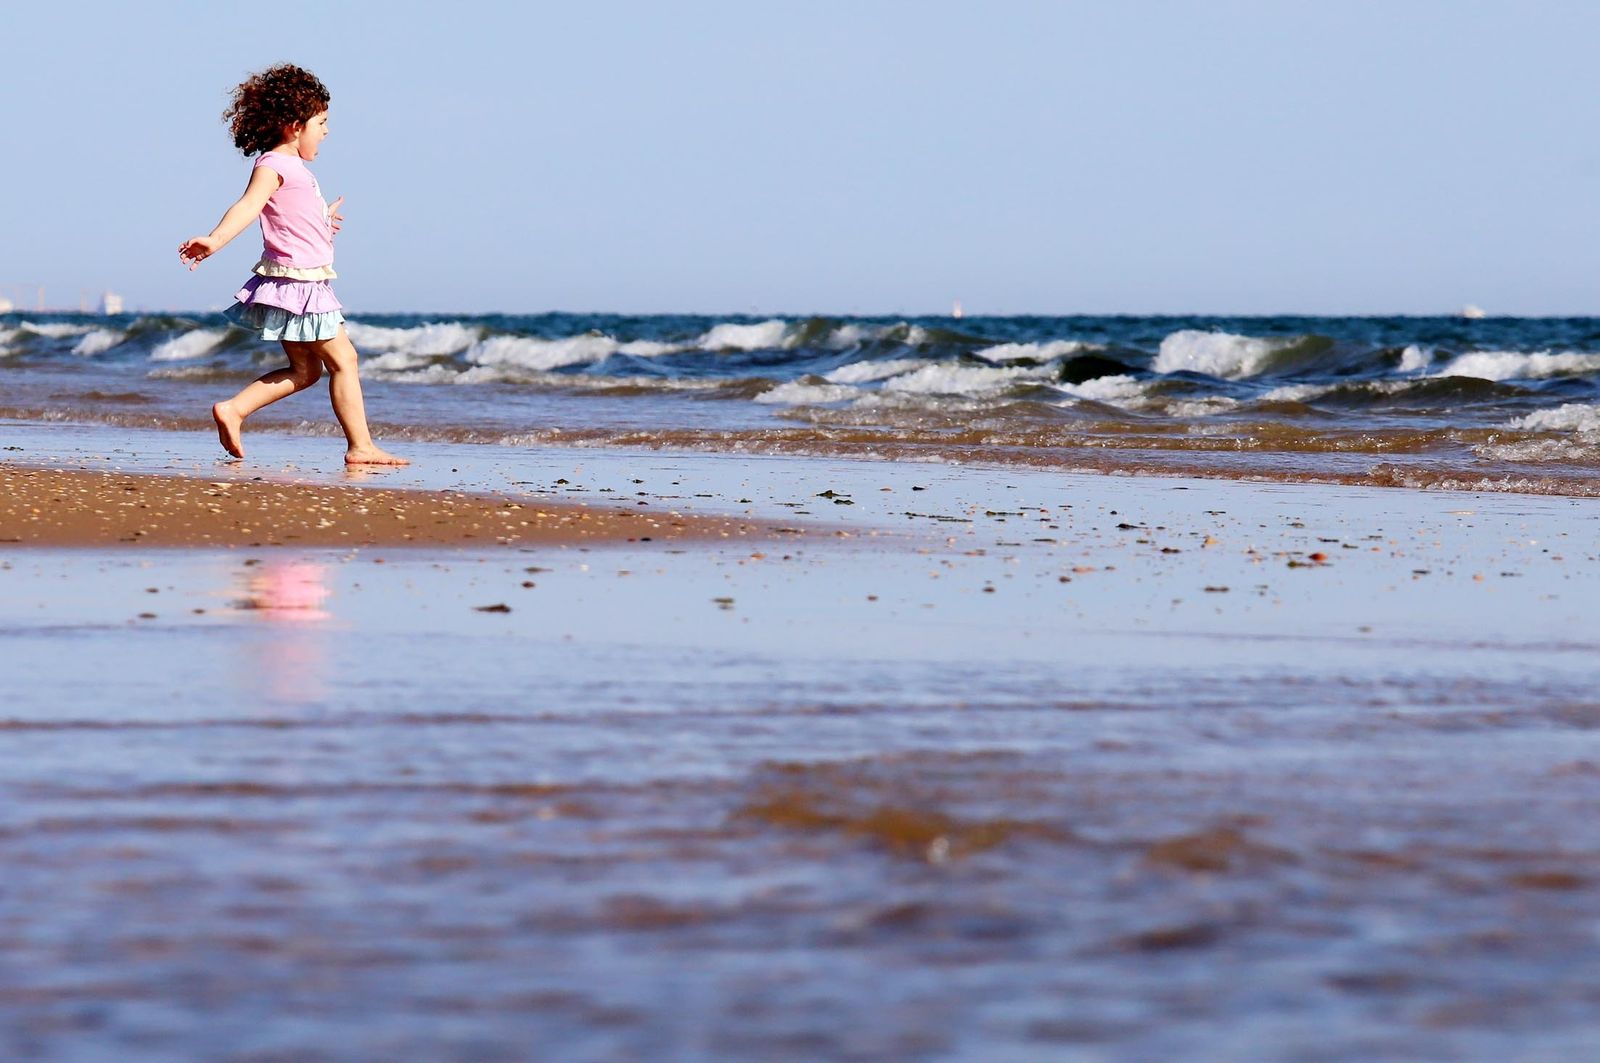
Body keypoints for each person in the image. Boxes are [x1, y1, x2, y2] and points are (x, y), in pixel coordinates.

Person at [178, 64, 407, 465]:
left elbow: (292, 223)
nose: (327, 131)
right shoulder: (275, 166)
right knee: (345, 360)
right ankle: (361, 447)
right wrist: (214, 240)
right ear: (294, 125)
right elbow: (248, 206)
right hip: (300, 287)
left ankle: (234, 409)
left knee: (305, 370)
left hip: (296, 282)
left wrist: (323, 220)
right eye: (322, 122)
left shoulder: (296, 171)